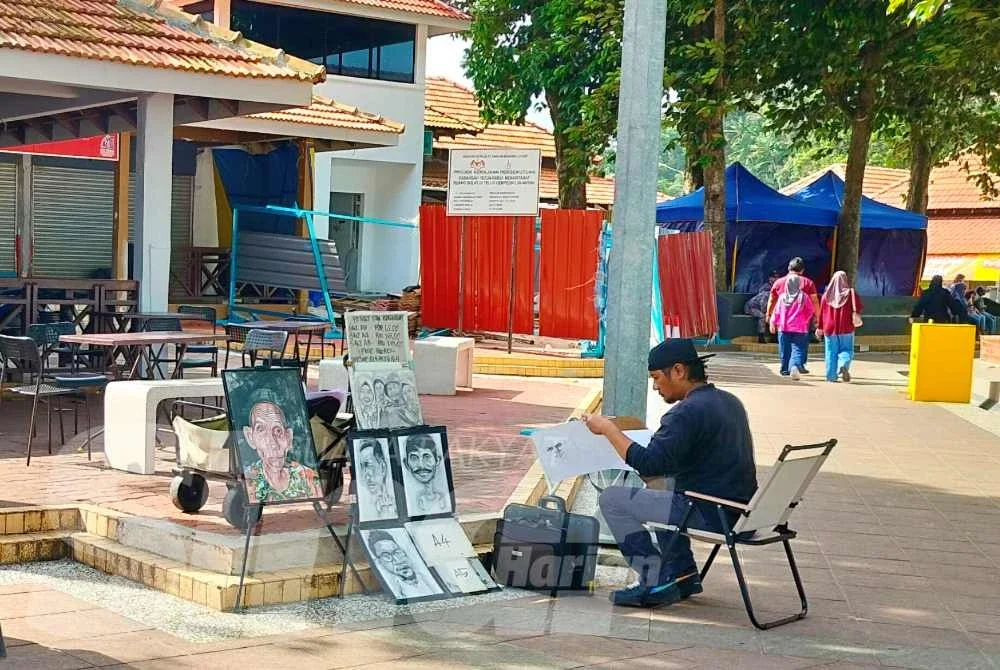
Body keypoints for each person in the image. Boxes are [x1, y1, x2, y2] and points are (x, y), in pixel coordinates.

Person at [583, 339, 757, 608]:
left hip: (710, 513)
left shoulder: (686, 412)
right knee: (659, 486)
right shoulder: (729, 401)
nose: (655, 387)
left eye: (656, 378)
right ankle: (682, 573)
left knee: (612, 500)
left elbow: (649, 463)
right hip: (740, 512)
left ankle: (655, 578)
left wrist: (608, 429)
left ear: (678, 371)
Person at [242, 394, 323, 503]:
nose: (272, 444)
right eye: (261, 429)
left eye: (278, 431)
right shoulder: (248, 482)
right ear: (250, 437)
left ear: (289, 437)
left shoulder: (307, 477)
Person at [767, 258, 820, 371]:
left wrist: (770, 316)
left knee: (784, 347)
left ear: (788, 268)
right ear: (802, 271)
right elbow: (814, 302)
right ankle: (798, 365)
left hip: (783, 323)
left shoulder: (779, 282)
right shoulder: (808, 283)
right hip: (801, 324)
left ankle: (786, 368)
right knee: (800, 346)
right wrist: (816, 317)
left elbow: (772, 300)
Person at [818, 270, 863, 383]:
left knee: (830, 352)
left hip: (829, 328)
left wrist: (820, 327)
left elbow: (822, 313)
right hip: (846, 327)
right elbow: (858, 308)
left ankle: (831, 377)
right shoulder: (851, 294)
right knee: (847, 349)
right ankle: (842, 365)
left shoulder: (825, 296)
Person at [770, 274, 815, 380]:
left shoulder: (782, 297)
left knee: (784, 349)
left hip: (784, 328)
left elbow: (776, 312)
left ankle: (785, 369)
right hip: (800, 328)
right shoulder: (804, 297)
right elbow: (810, 310)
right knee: (798, 349)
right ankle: (794, 366)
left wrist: (773, 323)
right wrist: (805, 320)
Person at [368, 530, 433, 599]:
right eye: (386, 556)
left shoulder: (427, 576)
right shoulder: (397, 590)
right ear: (379, 562)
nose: (397, 560)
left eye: (397, 552)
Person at [403, 434, 448, 513]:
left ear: (437, 460)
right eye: (414, 458)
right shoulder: (408, 503)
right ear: (406, 464)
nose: (421, 465)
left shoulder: (446, 500)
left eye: (427, 457)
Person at [356, 439, 397, 519]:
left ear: (383, 467)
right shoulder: (365, 505)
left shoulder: (396, 500)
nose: (365, 475)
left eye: (369, 465)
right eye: (362, 467)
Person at [744, 274, 777, 343]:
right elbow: (763, 308)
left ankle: (774, 337)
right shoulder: (766, 294)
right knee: (763, 316)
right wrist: (769, 315)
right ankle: (761, 336)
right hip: (751, 307)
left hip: (760, 307)